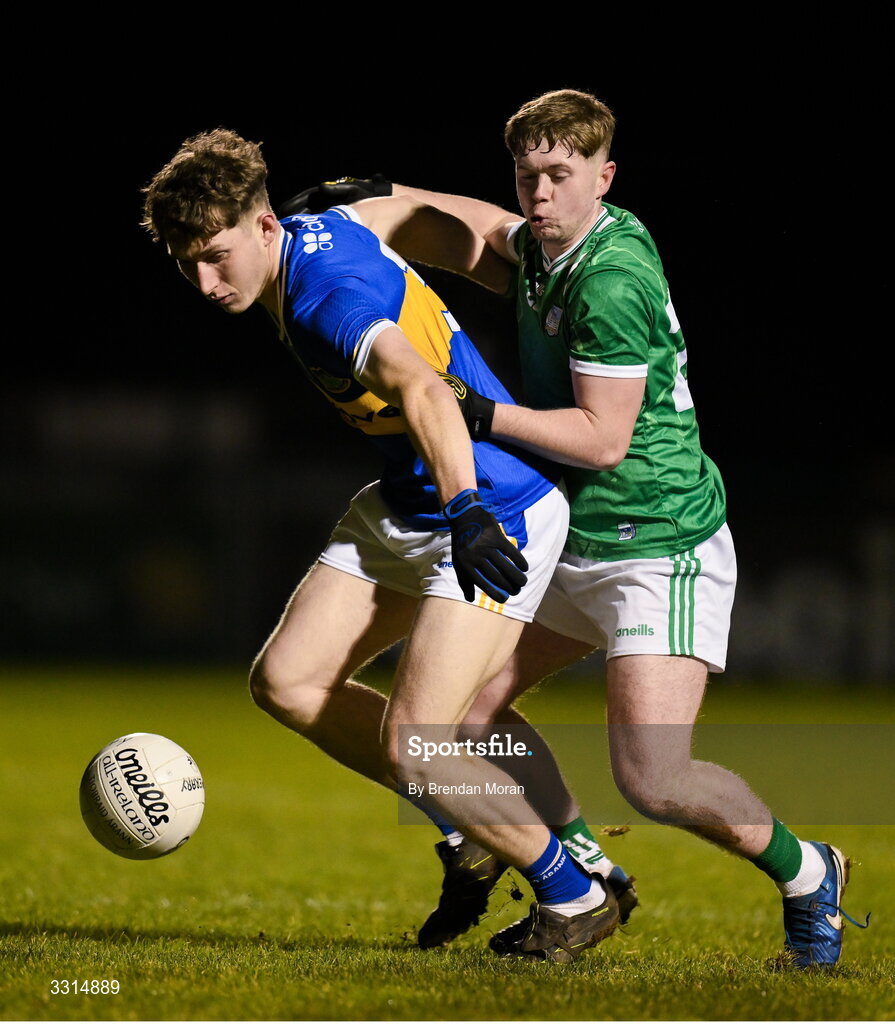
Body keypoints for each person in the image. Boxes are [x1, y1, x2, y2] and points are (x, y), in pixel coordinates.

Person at [284, 88, 868, 968]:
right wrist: (380, 197)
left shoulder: (610, 277)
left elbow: (602, 441)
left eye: (560, 175)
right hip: (572, 531)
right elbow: (475, 232)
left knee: (654, 777)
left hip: (654, 540)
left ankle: (806, 871)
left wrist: (472, 410)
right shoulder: (547, 243)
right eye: (528, 176)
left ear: (605, 175)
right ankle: (584, 872)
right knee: (466, 718)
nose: (540, 195)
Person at [141, 128, 626, 964]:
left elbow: (420, 387)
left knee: (420, 740)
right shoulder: (313, 222)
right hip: (407, 502)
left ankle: (575, 895)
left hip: (492, 507)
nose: (206, 282)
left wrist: (468, 510)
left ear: (262, 228)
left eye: (217, 256)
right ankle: (468, 836)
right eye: (187, 263)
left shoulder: (326, 295)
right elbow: (412, 213)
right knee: (289, 682)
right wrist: (464, 235)